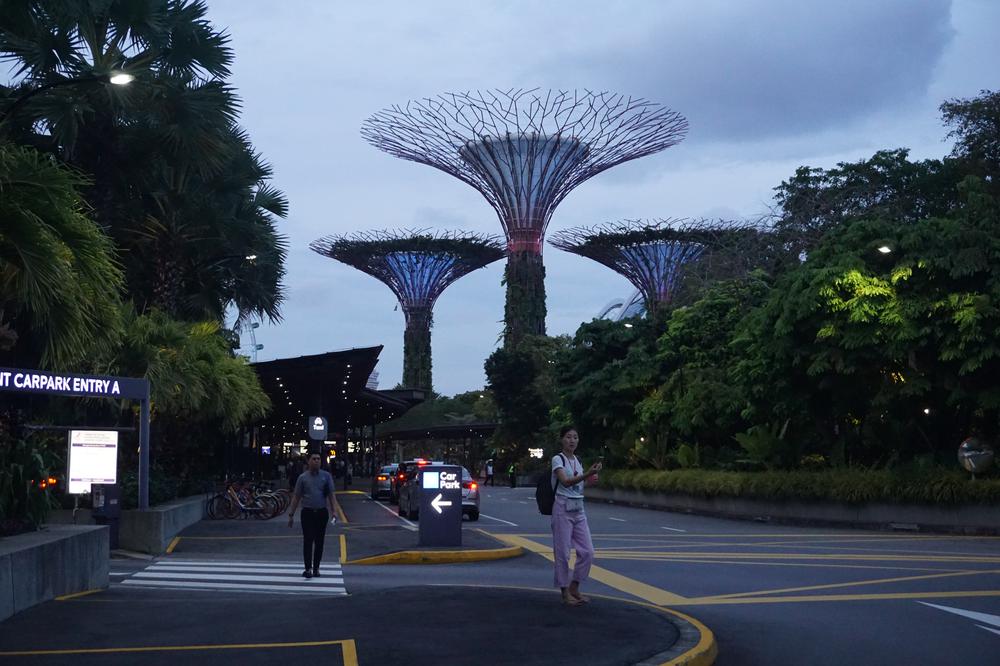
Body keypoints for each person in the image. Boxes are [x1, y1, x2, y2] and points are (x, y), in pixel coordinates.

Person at [551, 425, 602, 606]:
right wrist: (587, 474)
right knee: (563, 553)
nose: (572, 440)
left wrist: (590, 479)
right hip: (562, 507)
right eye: (568, 437)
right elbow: (565, 481)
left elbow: (578, 486)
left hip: (579, 508)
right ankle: (565, 592)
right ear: (561, 440)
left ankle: (574, 586)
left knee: (587, 552)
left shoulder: (578, 460)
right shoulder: (558, 459)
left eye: (575, 437)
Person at [287, 452, 337, 578]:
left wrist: (334, 512)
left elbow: (331, 495)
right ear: (308, 461)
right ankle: (308, 568)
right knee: (308, 540)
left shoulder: (326, 476)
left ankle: (316, 568)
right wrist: (291, 514)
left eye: (318, 459)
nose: (316, 461)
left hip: (321, 512)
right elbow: (296, 496)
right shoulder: (302, 478)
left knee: (320, 541)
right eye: (314, 459)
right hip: (307, 512)